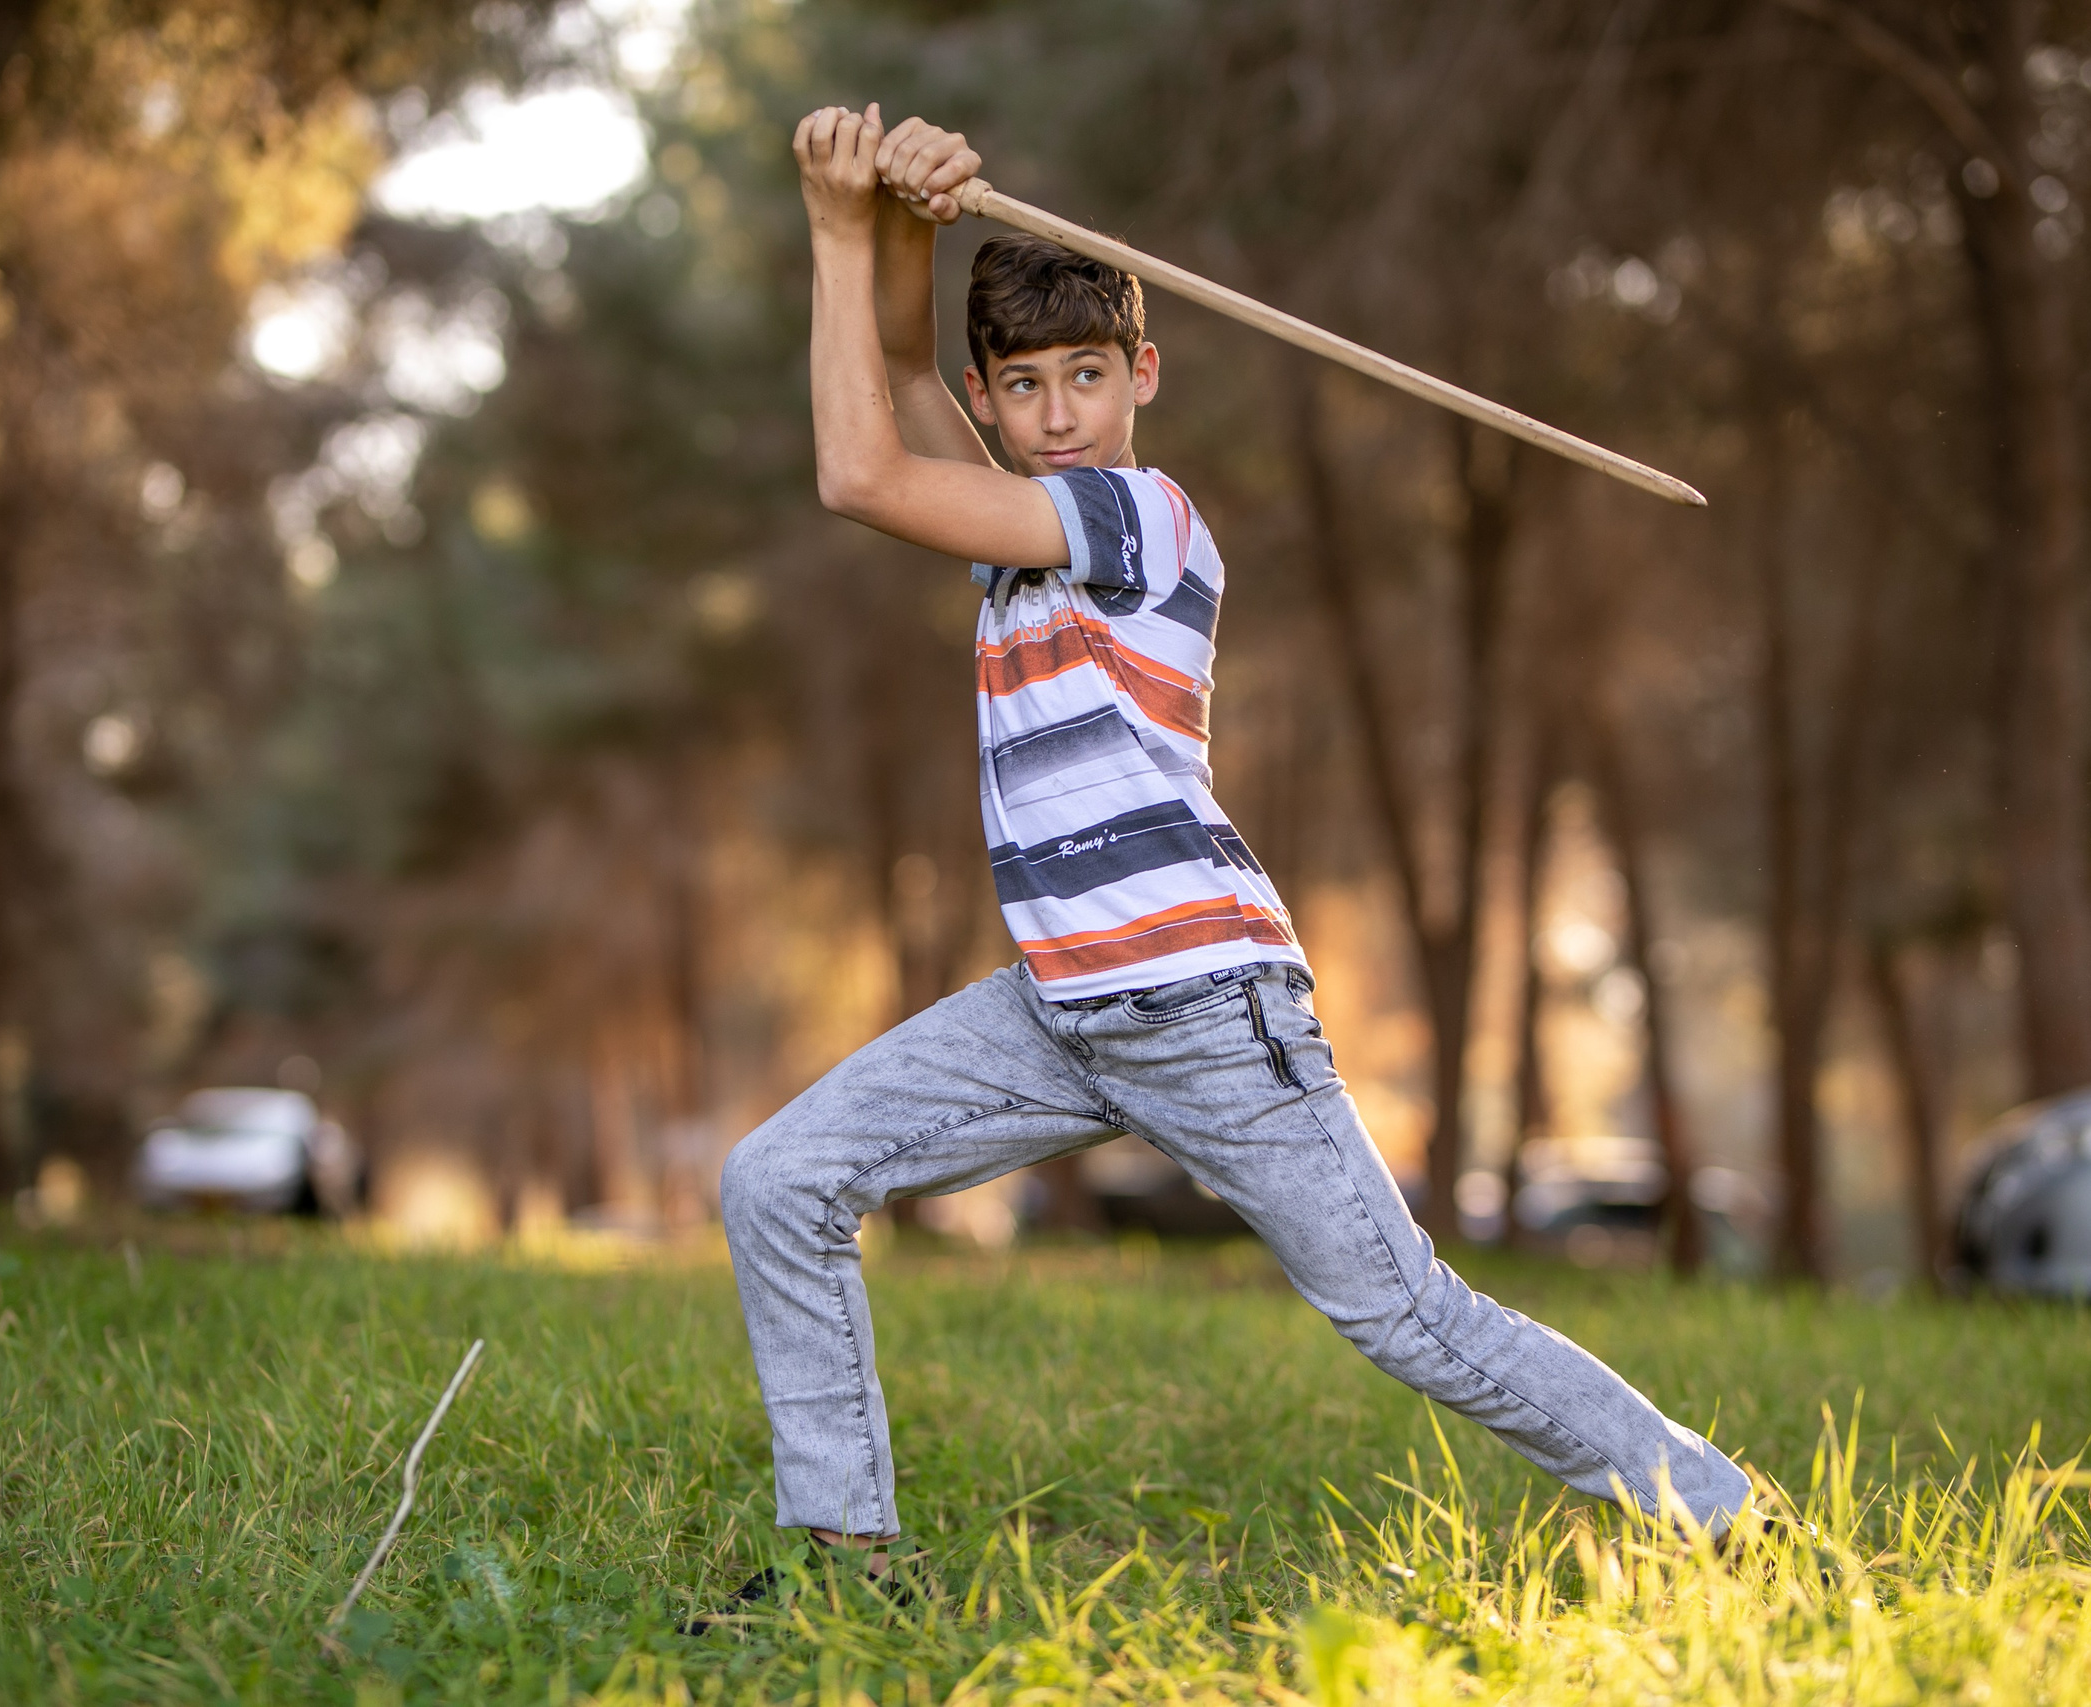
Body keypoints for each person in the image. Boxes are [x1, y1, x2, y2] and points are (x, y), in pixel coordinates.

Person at [700, 102, 1752, 1620]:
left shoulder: (1132, 516)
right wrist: (910, 221)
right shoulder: (1021, 525)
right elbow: (909, 374)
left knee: (1412, 1318)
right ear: (998, 406)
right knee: (778, 1179)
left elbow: (863, 474)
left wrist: (831, 223)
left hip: (1202, 1003)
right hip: (1061, 1007)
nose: (1057, 413)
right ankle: (846, 1567)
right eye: (1026, 390)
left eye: (1085, 379)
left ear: (1142, 376)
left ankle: (1725, 1520)